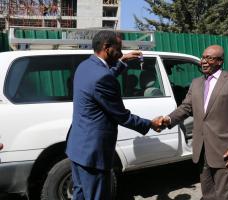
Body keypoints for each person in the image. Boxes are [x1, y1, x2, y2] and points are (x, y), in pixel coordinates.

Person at [66, 30, 162, 200]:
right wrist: (151, 124)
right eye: (119, 48)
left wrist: (122, 62)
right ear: (107, 48)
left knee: (80, 193)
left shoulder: (85, 66)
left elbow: (102, 79)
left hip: (78, 147)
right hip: (94, 152)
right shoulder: (102, 77)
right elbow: (122, 116)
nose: (122, 52)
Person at [161, 45, 228, 200]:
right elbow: (186, 107)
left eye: (209, 58)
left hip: (226, 151)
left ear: (220, 62)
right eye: (203, 57)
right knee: (208, 194)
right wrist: (168, 119)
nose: (203, 61)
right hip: (202, 149)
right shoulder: (196, 83)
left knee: (224, 196)